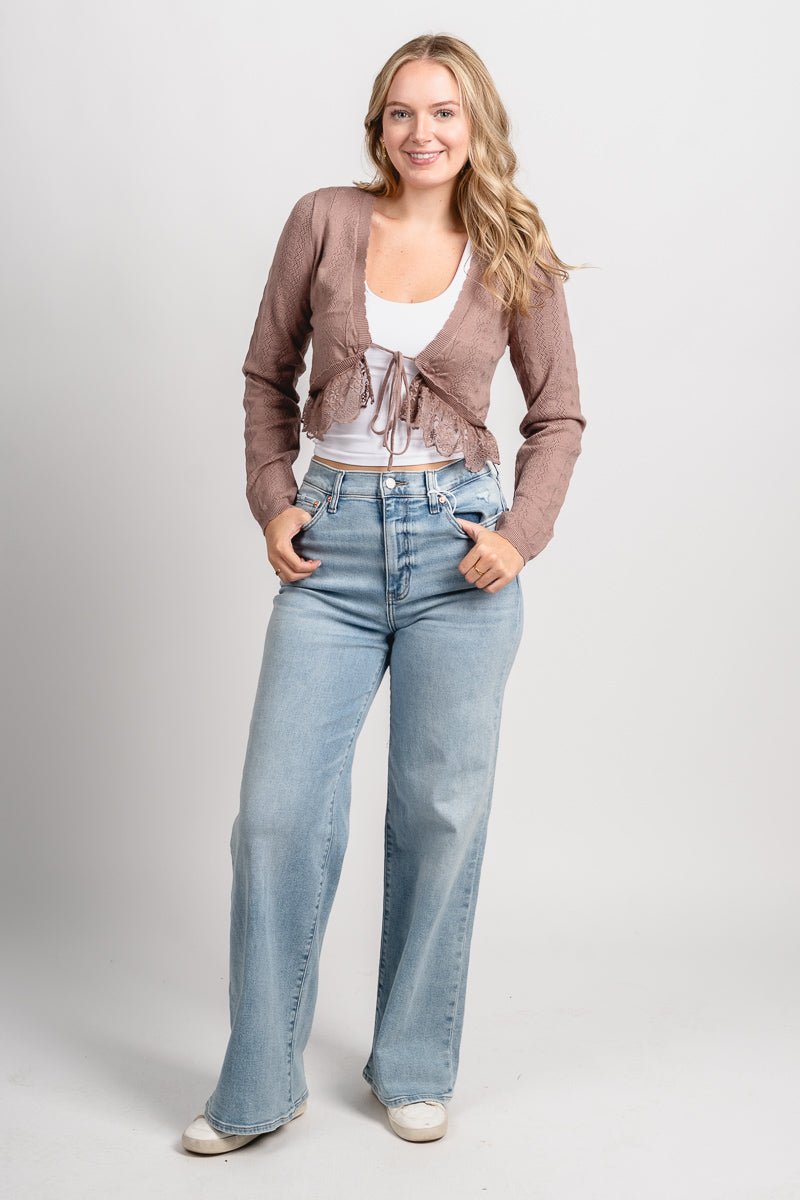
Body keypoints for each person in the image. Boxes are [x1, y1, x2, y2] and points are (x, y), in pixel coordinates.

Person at [181, 32, 586, 1153]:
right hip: (335, 553)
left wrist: (520, 535)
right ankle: (259, 1082)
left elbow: (557, 416)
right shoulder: (323, 219)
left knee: (439, 815)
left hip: (460, 555)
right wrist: (273, 499)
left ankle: (412, 1062)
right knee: (275, 817)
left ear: (476, 125)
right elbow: (266, 374)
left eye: (444, 112)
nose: (423, 132)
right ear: (378, 126)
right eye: (403, 112)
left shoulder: (514, 245)